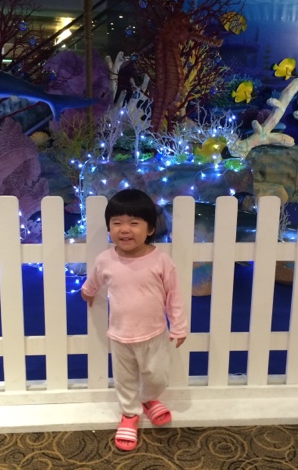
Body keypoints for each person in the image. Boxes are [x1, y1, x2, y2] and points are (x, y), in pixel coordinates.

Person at [81, 188, 188, 451]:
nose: (124, 229)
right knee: (125, 379)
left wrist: (179, 326)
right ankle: (130, 414)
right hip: (120, 335)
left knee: (157, 376)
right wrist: (88, 292)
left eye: (134, 223)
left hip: (154, 333)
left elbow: (174, 295)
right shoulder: (105, 259)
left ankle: (149, 398)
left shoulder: (161, 261)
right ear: (109, 227)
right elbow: (93, 281)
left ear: (150, 229)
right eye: (117, 223)